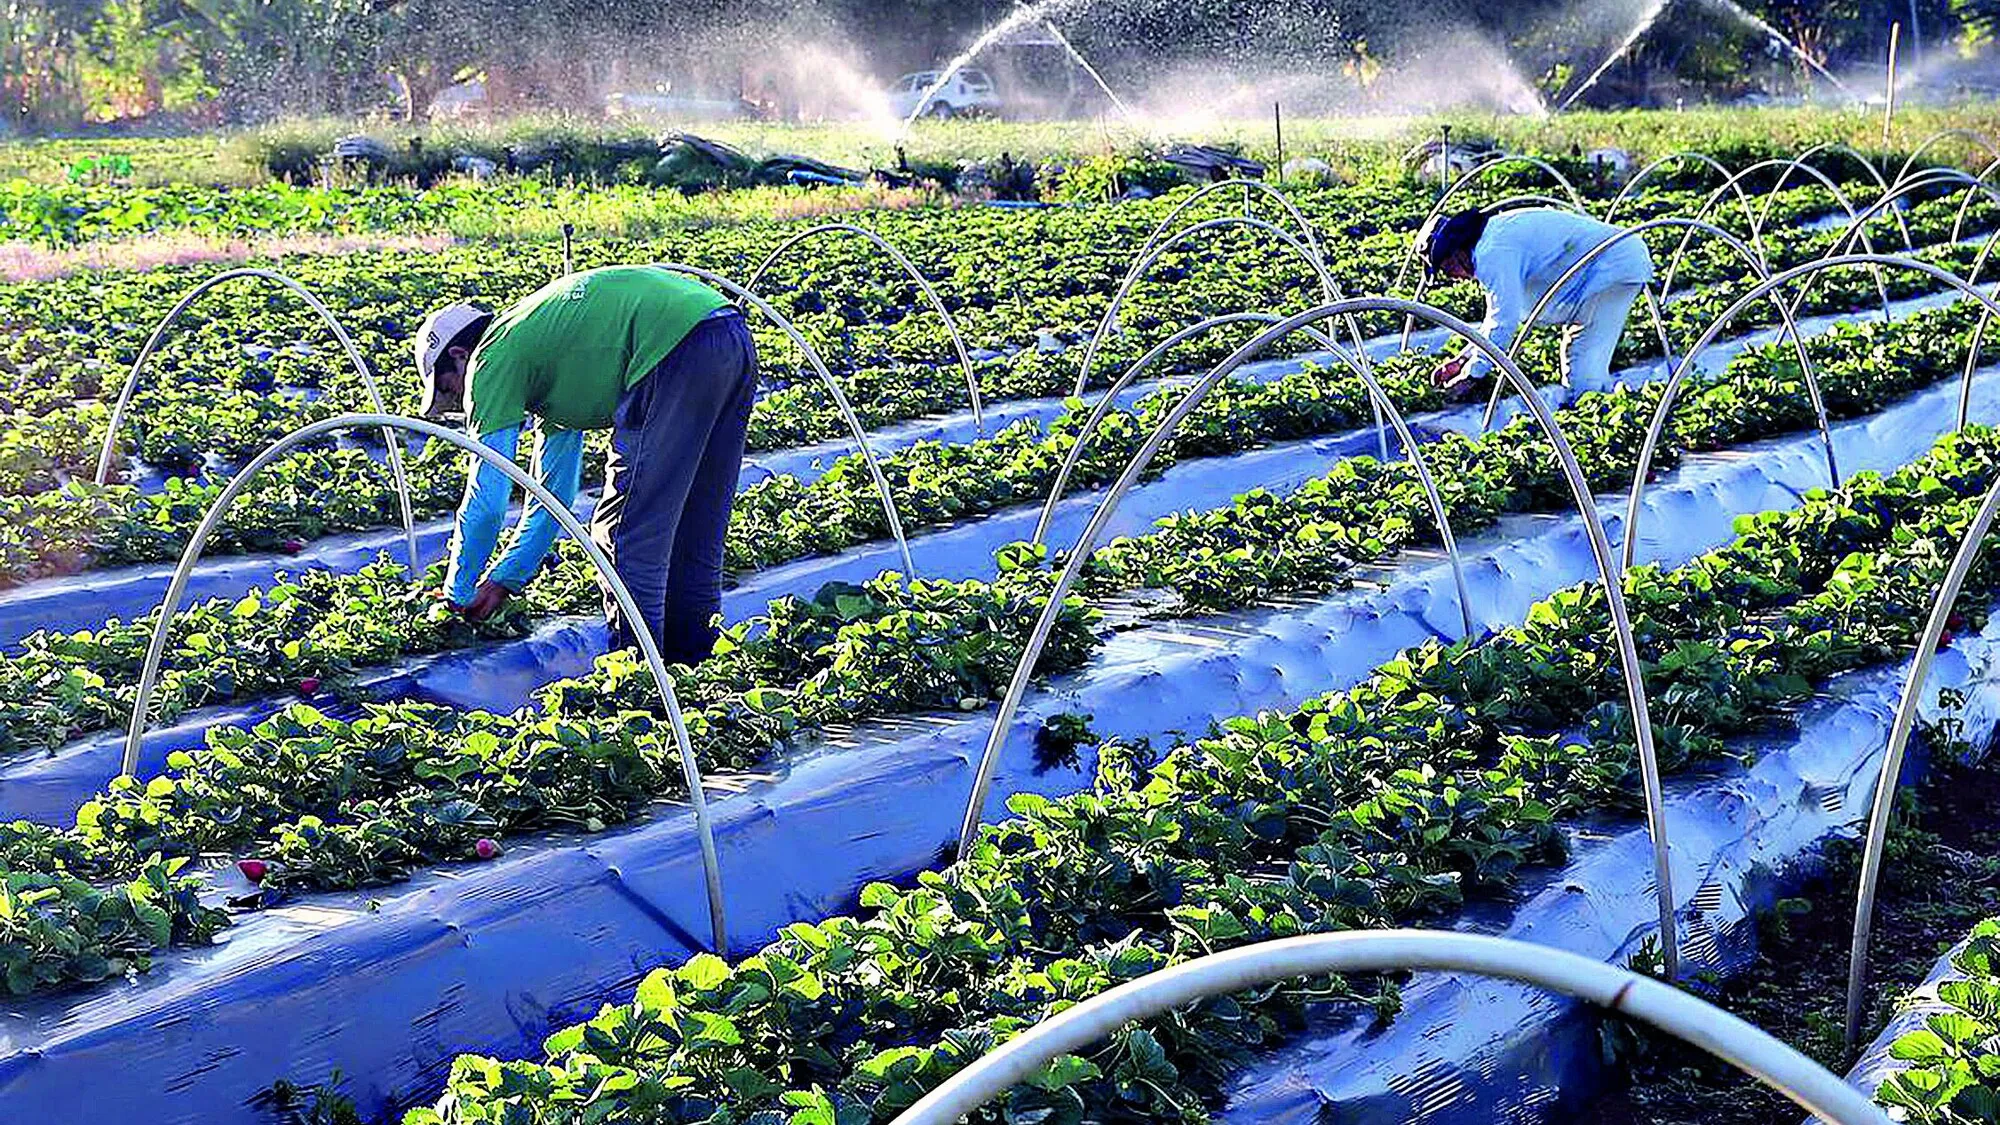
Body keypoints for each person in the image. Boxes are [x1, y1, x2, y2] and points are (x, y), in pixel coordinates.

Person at [415, 265, 758, 665]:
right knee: (695, 527)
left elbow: (489, 497)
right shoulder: (541, 351)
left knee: (625, 534)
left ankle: (641, 680)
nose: (458, 401)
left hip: (671, 347)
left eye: (447, 388)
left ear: (459, 357)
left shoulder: (492, 359)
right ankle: (693, 668)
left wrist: (458, 591)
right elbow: (553, 497)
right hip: (727, 333)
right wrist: (506, 578)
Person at [1416, 207, 1654, 398]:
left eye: (1448, 268)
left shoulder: (1492, 252)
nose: (1454, 277)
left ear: (1457, 249)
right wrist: (1463, 360)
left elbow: (1504, 322)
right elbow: (1495, 318)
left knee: (1582, 365)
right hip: (1608, 266)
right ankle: (1602, 410)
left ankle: (1595, 431)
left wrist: (1472, 376)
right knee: (1587, 360)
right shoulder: (1491, 239)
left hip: (1611, 266)